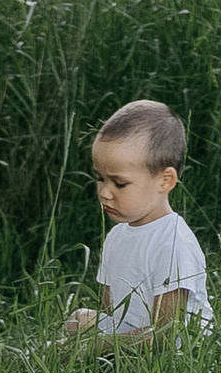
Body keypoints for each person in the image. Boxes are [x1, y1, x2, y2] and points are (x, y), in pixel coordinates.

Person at [61, 100, 212, 348]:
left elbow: (166, 334)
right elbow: (112, 312)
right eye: (100, 179)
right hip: (132, 333)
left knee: (75, 346)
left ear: (165, 181)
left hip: (175, 348)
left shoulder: (173, 243)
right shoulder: (117, 236)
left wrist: (95, 347)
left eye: (119, 183)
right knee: (78, 321)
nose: (105, 193)